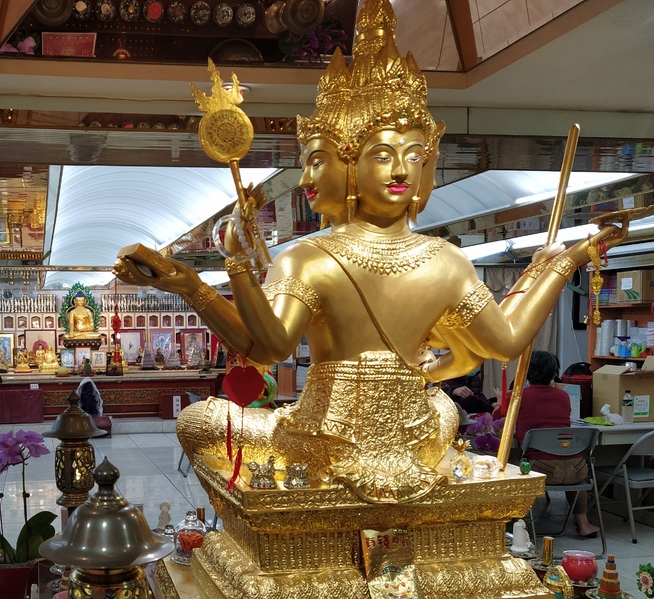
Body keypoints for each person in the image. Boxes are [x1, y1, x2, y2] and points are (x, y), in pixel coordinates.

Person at [113, 0, 627, 504]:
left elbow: (267, 347)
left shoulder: (311, 257)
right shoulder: (444, 259)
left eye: (411, 156)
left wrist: (224, 273)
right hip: (418, 441)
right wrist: (567, 260)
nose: (400, 170)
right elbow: (508, 341)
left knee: (201, 421)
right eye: (384, 155)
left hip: (323, 443)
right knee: (444, 410)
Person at [514, 350, 600, 538]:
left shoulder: (518, 396)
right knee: (569, 459)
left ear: (526, 371)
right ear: (554, 372)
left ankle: (519, 525)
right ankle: (584, 524)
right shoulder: (564, 396)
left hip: (538, 470)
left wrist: (499, 401)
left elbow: (499, 418)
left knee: (509, 465)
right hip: (577, 470)